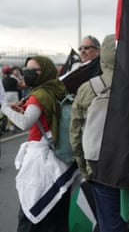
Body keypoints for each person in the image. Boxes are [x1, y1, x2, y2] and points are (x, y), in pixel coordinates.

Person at [70, 34, 129, 232]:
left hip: (102, 168)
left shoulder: (88, 88)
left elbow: (76, 133)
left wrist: (85, 168)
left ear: (103, 55)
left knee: (111, 225)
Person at [1, 55, 72, 232]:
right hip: (57, 155)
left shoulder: (39, 95)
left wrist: (4, 108)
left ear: (45, 71)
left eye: (33, 70)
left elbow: (25, 123)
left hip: (40, 158)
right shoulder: (56, 89)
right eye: (26, 70)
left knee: (31, 207)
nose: (28, 74)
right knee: (57, 211)